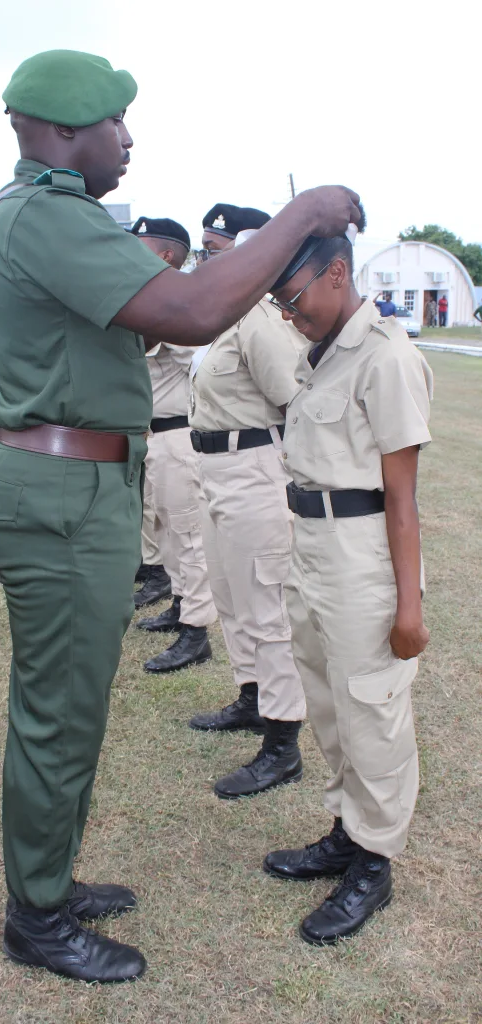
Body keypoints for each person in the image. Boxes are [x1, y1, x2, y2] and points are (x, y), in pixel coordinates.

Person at [0, 47, 362, 984]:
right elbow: (189, 309)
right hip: (61, 492)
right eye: (115, 121)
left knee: (69, 705)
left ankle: (48, 882)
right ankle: (35, 915)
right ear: (65, 128)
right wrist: (304, 213)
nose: (128, 138)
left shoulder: (48, 214)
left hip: (73, 484)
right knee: (58, 714)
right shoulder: (48, 215)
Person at [263, 208, 433, 946]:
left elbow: (402, 498)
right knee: (329, 701)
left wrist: (408, 606)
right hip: (311, 546)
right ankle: (346, 828)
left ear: (337, 272)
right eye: (278, 303)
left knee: (372, 708)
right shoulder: (324, 353)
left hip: (362, 554)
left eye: (292, 298)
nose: (287, 313)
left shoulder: (385, 357)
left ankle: (374, 861)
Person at [188, 206, 308, 798]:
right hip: (213, 469)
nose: (209, 261)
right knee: (231, 596)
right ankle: (253, 699)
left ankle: (283, 745)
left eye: (220, 252)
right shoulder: (224, 316)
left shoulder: (260, 319)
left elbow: (297, 404)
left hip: (255, 470)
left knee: (267, 608)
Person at [130, 215, 218, 671]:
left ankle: (196, 633)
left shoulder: (181, 306)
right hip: (155, 438)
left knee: (188, 537)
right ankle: (182, 606)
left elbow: (200, 361)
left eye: (141, 246)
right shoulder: (151, 301)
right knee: (166, 532)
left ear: (167, 256)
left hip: (179, 434)